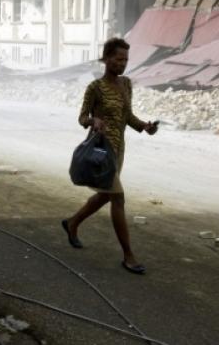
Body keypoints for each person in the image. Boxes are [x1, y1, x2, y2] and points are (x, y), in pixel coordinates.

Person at [61, 37, 159, 275]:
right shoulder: (95, 87)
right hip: (102, 151)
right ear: (105, 59)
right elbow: (82, 117)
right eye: (117, 59)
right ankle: (128, 256)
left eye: (125, 59)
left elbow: (128, 117)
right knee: (118, 198)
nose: (122, 64)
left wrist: (145, 127)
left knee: (106, 196)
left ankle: (72, 223)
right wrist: (93, 120)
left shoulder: (126, 84)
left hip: (119, 151)